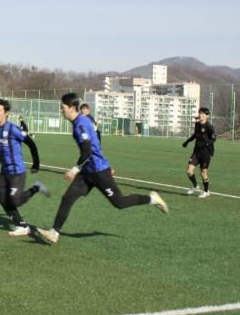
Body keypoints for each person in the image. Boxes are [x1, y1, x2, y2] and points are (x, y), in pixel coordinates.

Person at [37, 93, 168, 245]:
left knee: (119, 203)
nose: (61, 111)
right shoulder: (81, 122)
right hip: (88, 172)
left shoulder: (80, 124)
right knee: (68, 198)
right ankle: (54, 233)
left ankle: (152, 199)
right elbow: (95, 143)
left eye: (63, 107)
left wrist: (74, 169)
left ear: (72, 108)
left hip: (99, 172)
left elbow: (87, 151)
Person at [0, 99, 50, 237]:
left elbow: (31, 143)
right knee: (2, 200)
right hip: (4, 172)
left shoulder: (13, 129)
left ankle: (36, 187)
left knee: (15, 200)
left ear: (6, 113)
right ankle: (23, 226)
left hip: (17, 172)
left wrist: (36, 164)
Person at [183, 108, 216, 198]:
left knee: (203, 173)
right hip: (196, 152)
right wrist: (187, 141)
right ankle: (195, 185)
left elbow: (213, 139)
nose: (200, 115)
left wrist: (206, 143)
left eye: (203, 114)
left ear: (207, 116)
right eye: (200, 113)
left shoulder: (209, 126)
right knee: (189, 171)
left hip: (206, 153)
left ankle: (206, 191)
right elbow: (195, 135)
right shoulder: (197, 124)